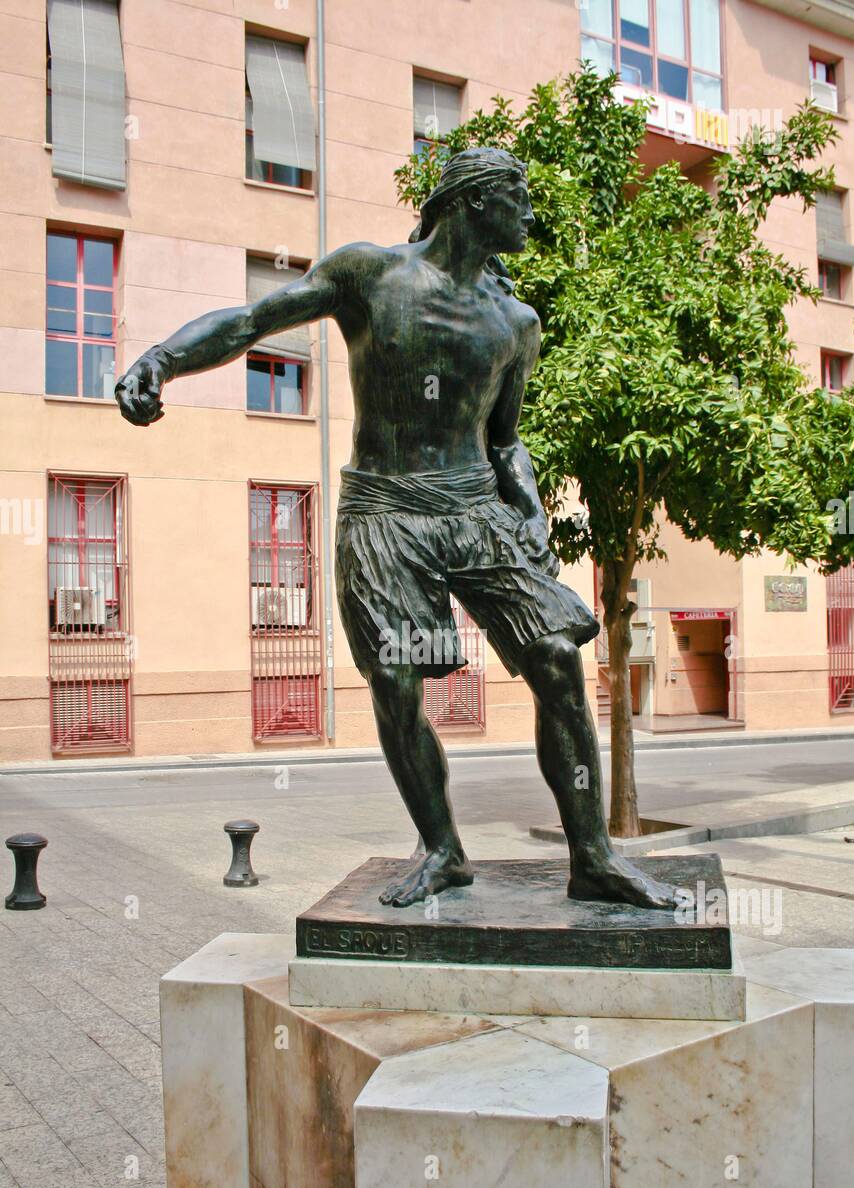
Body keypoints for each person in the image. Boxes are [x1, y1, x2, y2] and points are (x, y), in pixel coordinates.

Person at [116, 147, 674, 911]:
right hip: (384, 509)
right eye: (519, 197)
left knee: (556, 659)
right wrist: (162, 359)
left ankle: (593, 857)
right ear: (476, 201)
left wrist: (533, 507)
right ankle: (443, 850)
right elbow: (253, 319)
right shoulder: (369, 276)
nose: (531, 214)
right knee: (397, 683)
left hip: (475, 510)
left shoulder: (516, 321)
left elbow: (505, 439)